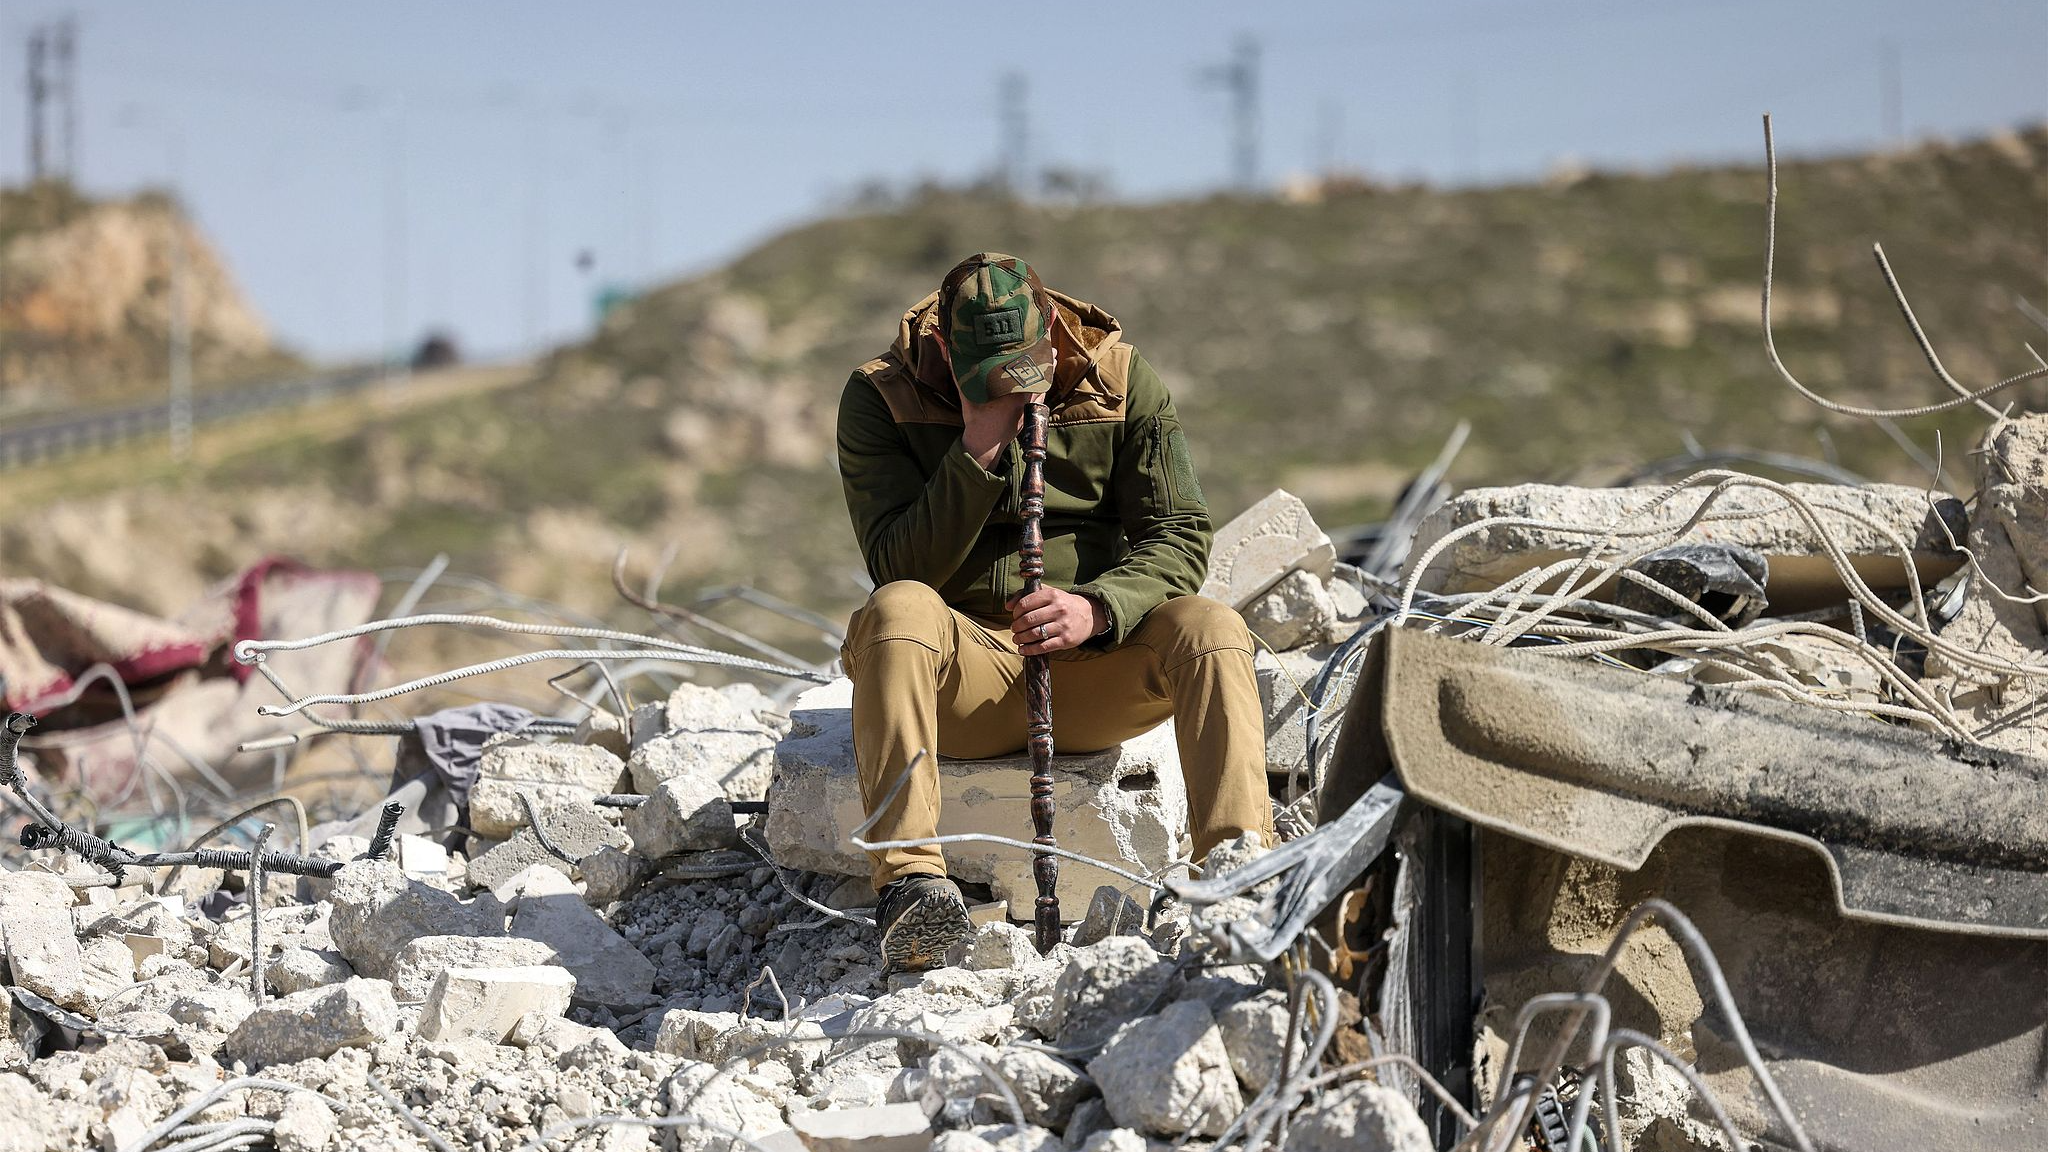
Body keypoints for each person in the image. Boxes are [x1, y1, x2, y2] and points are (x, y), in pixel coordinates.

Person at [835, 253, 1274, 971]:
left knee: (1210, 628)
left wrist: (1099, 608)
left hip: (1091, 667)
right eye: (985, 374)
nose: (1012, 387)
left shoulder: (1121, 381)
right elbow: (896, 563)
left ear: (1052, 332)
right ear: (944, 347)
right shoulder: (883, 397)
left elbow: (1180, 535)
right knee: (897, 610)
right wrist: (977, 447)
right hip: (963, 675)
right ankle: (913, 888)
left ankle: (1238, 881)